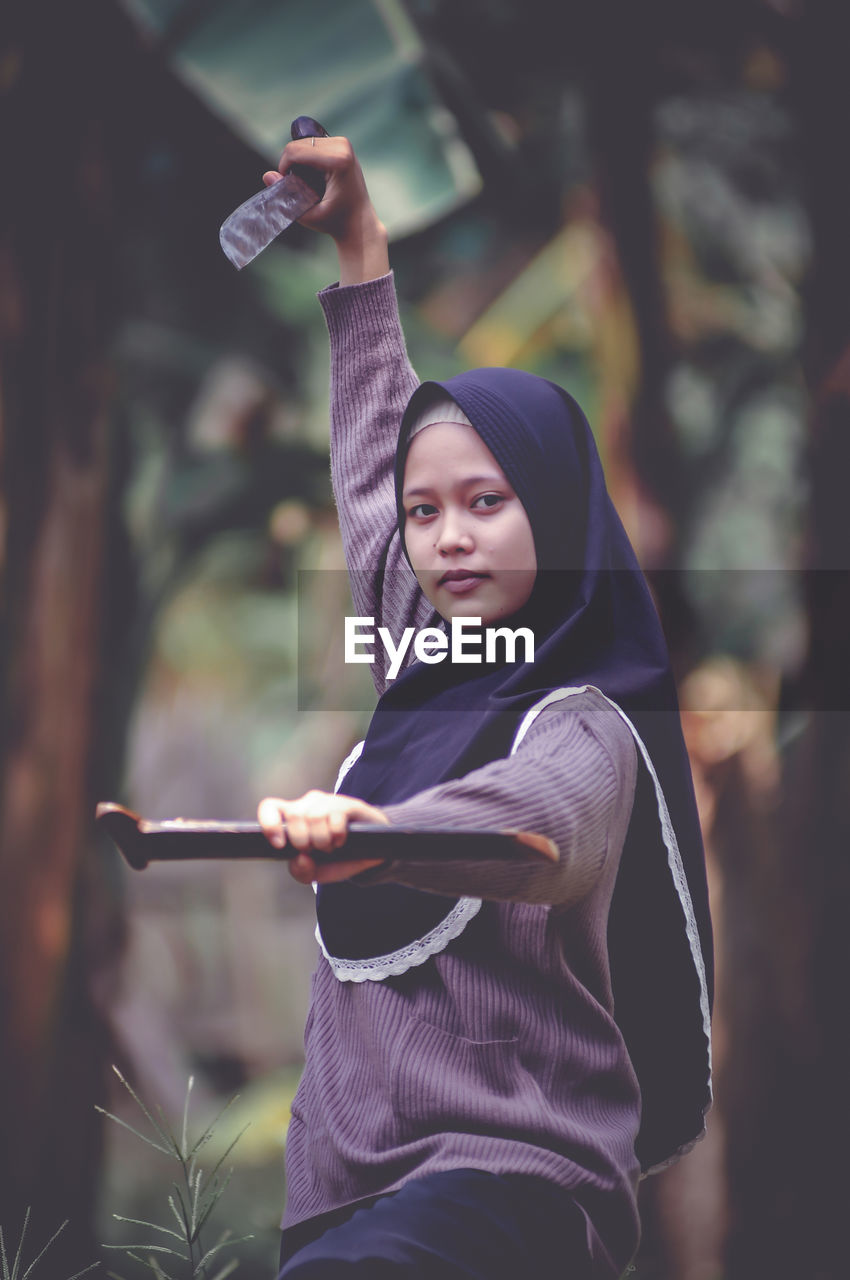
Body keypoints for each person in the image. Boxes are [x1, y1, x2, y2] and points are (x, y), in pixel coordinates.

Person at [257, 136, 713, 1280]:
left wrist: (377, 834)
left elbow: (537, 829)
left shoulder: (587, 726)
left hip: (516, 1183)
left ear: (552, 509)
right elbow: (369, 464)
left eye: (486, 501)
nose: (446, 535)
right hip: (343, 1190)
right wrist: (359, 243)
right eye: (428, 513)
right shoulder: (418, 665)